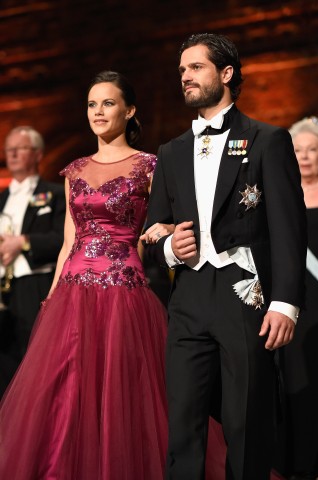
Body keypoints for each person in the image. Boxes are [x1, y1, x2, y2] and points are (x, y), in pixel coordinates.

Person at [142, 33, 307, 480]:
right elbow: (150, 233)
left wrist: (285, 303)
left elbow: (289, 230)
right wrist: (167, 248)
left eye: (195, 67)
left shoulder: (267, 140)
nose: (185, 77)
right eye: (181, 70)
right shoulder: (170, 152)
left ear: (227, 73)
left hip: (245, 296)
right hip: (189, 299)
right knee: (183, 424)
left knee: (246, 420)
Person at [0, 71, 179, 480]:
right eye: (92, 104)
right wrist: (50, 299)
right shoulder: (74, 170)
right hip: (72, 292)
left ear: (129, 110)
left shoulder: (151, 165)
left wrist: (162, 231)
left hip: (124, 291)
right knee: (67, 393)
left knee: (123, 395)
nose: (98, 112)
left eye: (108, 103)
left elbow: (168, 222)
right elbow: (68, 242)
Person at [274, 117, 318, 480]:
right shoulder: (283, 195)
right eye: (298, 151)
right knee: (298, 381)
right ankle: (302, 464)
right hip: (296, 303)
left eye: (312, 150)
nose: (304, 157)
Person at [0, 126, 65, 379]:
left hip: (36, 283)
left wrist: (23, 241)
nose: (13, 153)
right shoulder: (1, 198)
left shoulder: (56, 194)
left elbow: (64, 239)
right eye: (9, 149)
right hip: (4, 288)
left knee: (36, 357)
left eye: (21, 148)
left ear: (38, 154)